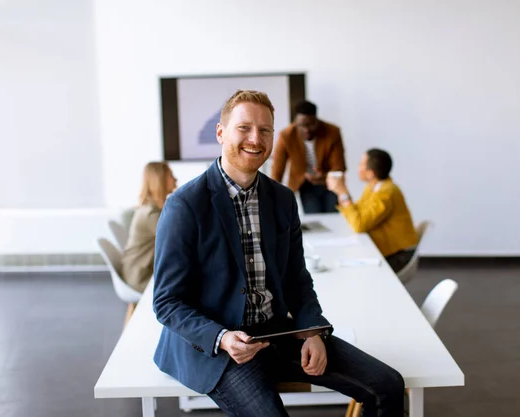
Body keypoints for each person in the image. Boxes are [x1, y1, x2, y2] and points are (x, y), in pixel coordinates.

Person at [152, 90, 404, 416]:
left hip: (277, 331)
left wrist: (312, 330)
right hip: (222, 346)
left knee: (388, 386)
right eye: (244, 128)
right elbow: (167, 302)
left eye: (265, 130)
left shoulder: (282, 199)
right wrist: (222, 337)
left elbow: (296, 277)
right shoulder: (185, 205)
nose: (255, 139)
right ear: (221, 133)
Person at [326, 149, 419, 273]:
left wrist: (343, 193)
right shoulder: (373, 187)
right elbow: (358, 212)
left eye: (361, 164)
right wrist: (341, 192)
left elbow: (359, 225)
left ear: (370, 173)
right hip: (387, 250)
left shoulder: (386, 193)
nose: (358, 167)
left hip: (398, 256)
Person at [270, 100, 346, 214]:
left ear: (317, 120)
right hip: (304, 184)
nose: (307, 130)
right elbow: (277, 170)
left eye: (311, 124)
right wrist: (273, 197)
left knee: (333, 215)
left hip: (330, 182)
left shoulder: (332, 132)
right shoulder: (286, 136)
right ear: (295, 122)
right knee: (314, 216)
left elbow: (339, 166)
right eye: (302, 125)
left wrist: (324, 177)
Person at [121, 162, 177, 293]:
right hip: (141, 277)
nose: (175, 179)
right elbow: (177, 240)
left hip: (136, 270)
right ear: (160, 180)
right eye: (170, 176)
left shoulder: (149, 208)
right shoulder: (151, 215)